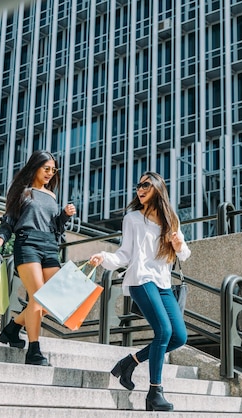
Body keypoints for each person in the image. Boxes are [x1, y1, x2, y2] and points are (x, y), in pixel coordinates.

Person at [89, 171, 190, 412]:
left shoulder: (171, 219)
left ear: (157, 187)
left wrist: (177, 245)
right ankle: (155, 392)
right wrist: (103, 257)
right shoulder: (133, 218)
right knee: (163, 331)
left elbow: (184, 253)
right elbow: (125, 254)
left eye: (146, 185)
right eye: (138, 186)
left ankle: (128, 363)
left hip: (163, 282)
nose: (140, 189)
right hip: (140, 279)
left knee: (179, 337)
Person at [0, 150, 76, 366]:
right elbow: (9, 220)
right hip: (27, 244)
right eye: (46, 168)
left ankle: (12, 328)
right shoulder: (23, 192)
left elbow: (55, 228)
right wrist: (1, 239)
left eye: (53, 170)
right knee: (38, 297)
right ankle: (34, 351)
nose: (49, 173)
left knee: (54, 299)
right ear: (35, 167)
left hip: (49, 246)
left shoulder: (52, 195)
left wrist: (64, 215)